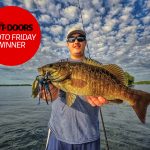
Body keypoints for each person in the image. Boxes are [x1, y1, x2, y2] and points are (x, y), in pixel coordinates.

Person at [41, 27, 108, 150]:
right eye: (72, 39)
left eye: (80, 38)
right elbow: (46, 94)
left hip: (89, 136)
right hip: (58, 134)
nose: (76, 41)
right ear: (67, 44)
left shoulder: (98, 68)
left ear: (85, 43)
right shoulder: (57, 67)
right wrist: (47, 93)